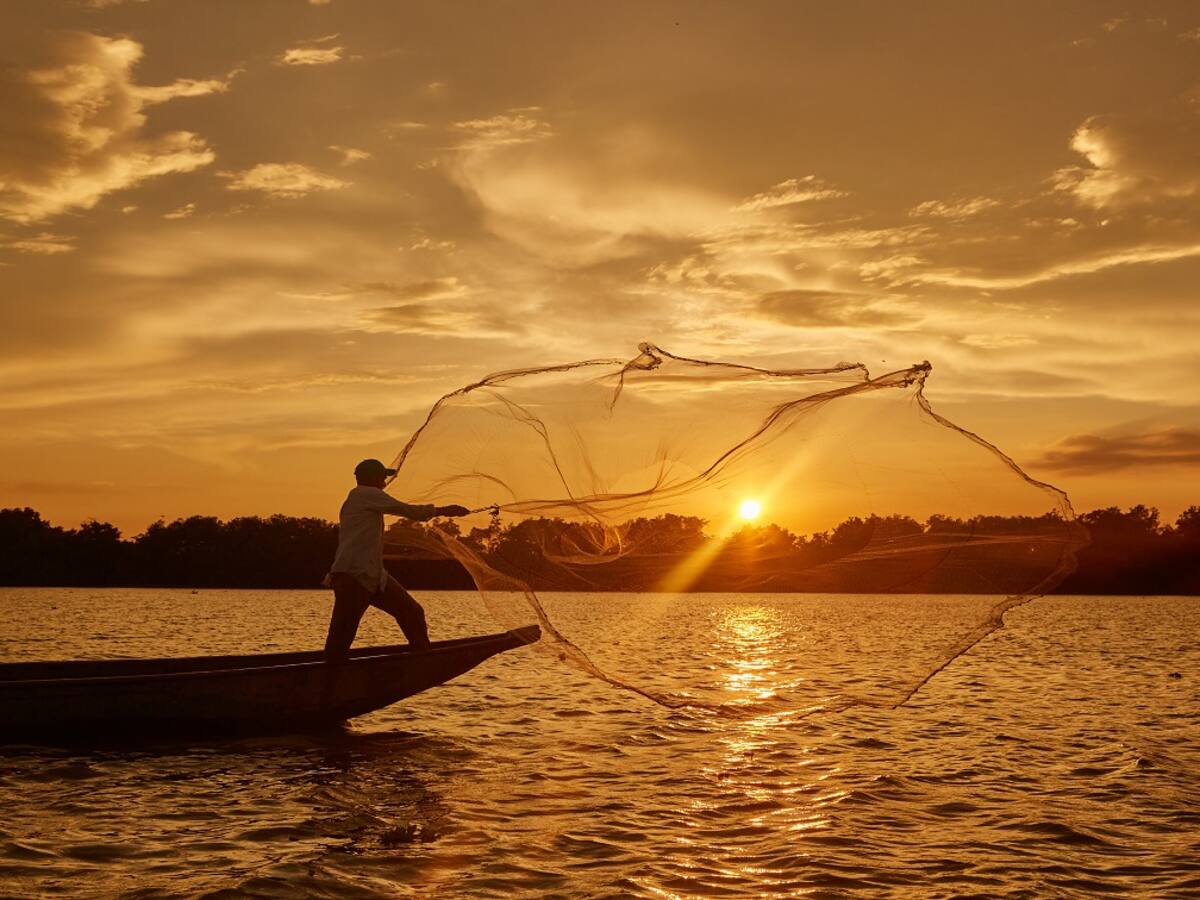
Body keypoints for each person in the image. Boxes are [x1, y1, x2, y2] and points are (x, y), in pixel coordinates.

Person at [325, 458, 468, 659]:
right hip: (354, 576)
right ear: (371, 478)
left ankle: (423, 659)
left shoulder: (358, 499)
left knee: (412, 612)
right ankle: (330, 677)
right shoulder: (366, 494)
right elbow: (408, 511)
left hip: (372, 575)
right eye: (382, 477)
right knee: (342, 636)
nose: (384, 481)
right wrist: (443, 511)